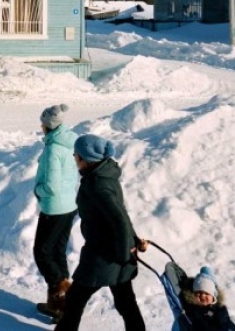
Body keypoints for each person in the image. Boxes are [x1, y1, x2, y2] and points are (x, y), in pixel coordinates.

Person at [54, 134, 148, 331]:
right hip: (116, 251)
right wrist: (134, 241)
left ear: (86, 159)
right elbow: (120, 213)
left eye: (76, 155)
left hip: (103, 254)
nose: (74, 158)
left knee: (75, 298)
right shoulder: (104, 176)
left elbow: (119, 220)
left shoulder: (97, 184)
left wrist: (123, 255)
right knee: (125, 302)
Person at [33, 104, 79, 320]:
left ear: (47, 126)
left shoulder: (53, 148)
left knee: (42, 252)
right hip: (68, 206)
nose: (40, 126)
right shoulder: (67, 143)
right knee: (56, 251)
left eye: (42, 123)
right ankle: (58, 304)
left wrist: (38, 190)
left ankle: (65, 293)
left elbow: (51, 185)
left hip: (54, 206)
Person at [178, 266, 235, 330]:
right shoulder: (193, 311)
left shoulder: (220, 310)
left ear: (213, 297)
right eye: (199, 293)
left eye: (207, 293)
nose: (202, 296)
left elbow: (228, 323)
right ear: (193, 295)